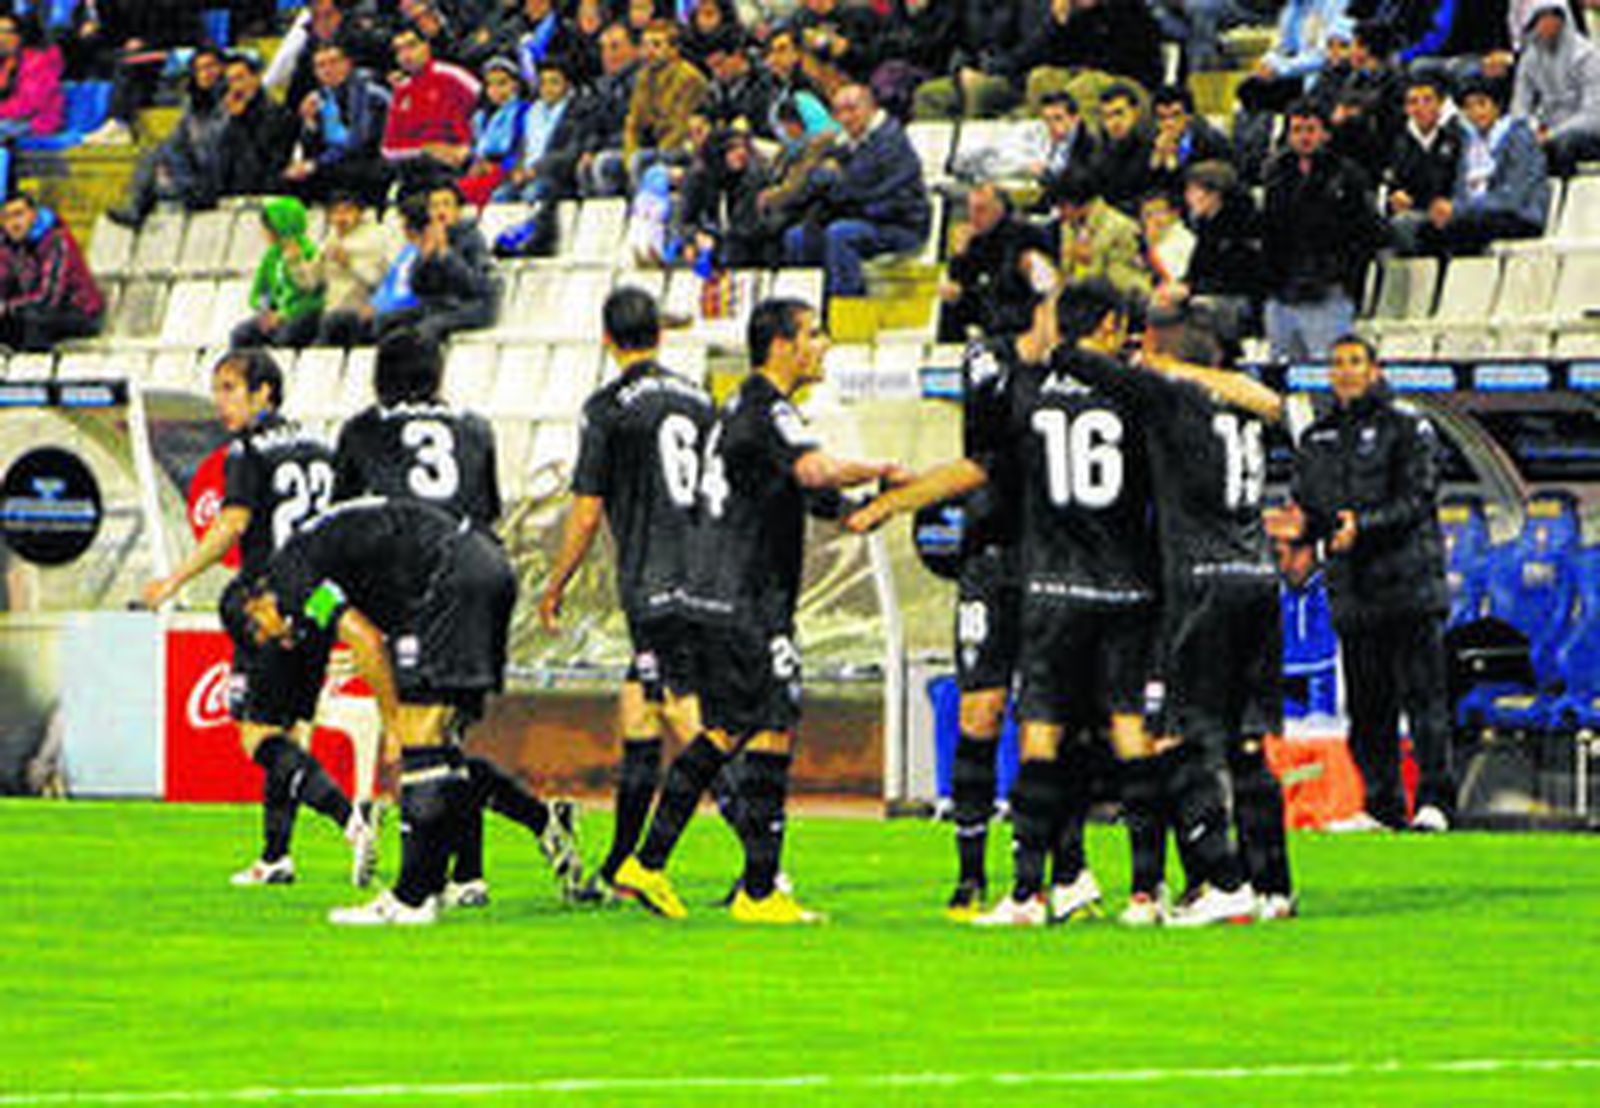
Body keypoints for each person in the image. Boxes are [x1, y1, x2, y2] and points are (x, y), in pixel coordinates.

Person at [847, 281, 1257, 928]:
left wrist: (895, 502)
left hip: (1056, 587)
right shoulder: (1134, 394)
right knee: (1131, 734)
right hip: (1129, 587)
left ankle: (1028, 892)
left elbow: (985, 469)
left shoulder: (1028, 392)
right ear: (1112, 324)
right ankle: (1146, 892)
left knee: (1042, 736)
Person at [612, 297, 908, 924]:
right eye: (813, 334)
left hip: (718, 595)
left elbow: (795, 491)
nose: (822, 345)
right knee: (771, 721)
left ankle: (661, 865)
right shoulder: (768, 407)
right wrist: (879, 467)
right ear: (780, 344)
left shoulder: (739, 410)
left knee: (732, 729)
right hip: (746, 600)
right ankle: (754, 888)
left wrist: (862, 505)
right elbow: (814, 469)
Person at [333, 329, 582, 907]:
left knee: (420, 738)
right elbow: (484, 513)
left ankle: (418, 890)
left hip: (420, 587)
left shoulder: (363, 430)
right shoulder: (475, 428)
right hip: (481, 579)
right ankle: (471, 870)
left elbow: (345, 525)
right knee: (447, 739)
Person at [1074, 309, 1296, 923]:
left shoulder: (1170, 394)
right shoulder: (1244, 404)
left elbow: (1083, 362)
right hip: (1256, 577)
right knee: (1247, 743)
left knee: (1174, 733)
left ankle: (1222, 881)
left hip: (1201, 583)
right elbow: (1274, 403)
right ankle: (1273, 885)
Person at [140, 350, 374, 890]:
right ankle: (276, 857)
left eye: (230, 388)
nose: (221, 401)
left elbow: (234, 522)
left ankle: (350, 820)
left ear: (264, 393)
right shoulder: (320, 445)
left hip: (267, 606)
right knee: (289, 731)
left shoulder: (245, 451)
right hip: (316, 603)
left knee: (257, 737)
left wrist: (174, 579)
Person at [242, 495, 517, 925]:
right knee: (443, 741)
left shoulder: (290, 578)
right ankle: (448, 881)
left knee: (417, 733)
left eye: (262, 629)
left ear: (258, 601)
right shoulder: (311, 552)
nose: (276, 638)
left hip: (452, 576)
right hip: (487, 566)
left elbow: (365, 640)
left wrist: (390, 723)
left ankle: (410, 900)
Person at [538, 288, 716, 901]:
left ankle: (763, 863)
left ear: (608, 338)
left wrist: (556, 583)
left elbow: (586, 514)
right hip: (707, 574)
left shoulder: (608, 407)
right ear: (658, 336)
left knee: (690, 722)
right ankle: (619, 868)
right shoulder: (699, 399)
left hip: (655, 583)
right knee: (637, 713)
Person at [1278, 335, 1456, 832]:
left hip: (1409, 583)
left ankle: (1436, 803)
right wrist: (1302, 528)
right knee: (1367, 705)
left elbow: (1418, 496)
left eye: (1355, 362)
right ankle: (1380, 805)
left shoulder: (1408, 424)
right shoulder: (1317, 436)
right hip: (1353, 590)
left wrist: (1363, 524)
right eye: (1336, 364)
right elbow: (1309, 502)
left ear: (1375, 368)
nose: (1346, 372)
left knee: (1424, 701)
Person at [1260, 99, 1381, 362]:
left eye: (1310, 129)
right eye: (1297, 130)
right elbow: (1268, 232)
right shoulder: (1275, 173)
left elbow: (1366, 233)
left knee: (1328, 371)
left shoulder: (1348, 176)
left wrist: (1345, 276)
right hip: (1283, 291)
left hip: (1329, 290)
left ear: (1325, 133)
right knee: (1281, 374)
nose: (1304, 137)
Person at [783, 83, 930, 298]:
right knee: (797, 237)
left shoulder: (890, 140)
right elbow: (813, 183)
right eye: (838, 111)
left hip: (899, 224)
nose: (845, 118)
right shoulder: (844, 142)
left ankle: (846, 307)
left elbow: (856, 187)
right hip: (860, 216)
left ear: (871, 108)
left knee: (841, 234)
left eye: (852, 109)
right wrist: (829, 176)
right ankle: (807, 308)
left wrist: (834, 179)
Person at [1423, 77, 1550, 255]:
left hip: (1520, 217)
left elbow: (1512, 198)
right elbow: (1462, 189)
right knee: (1426, 230)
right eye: (1468, 107)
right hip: (1478, 215)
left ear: (1497, 107)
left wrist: (1459, 210)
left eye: (1481, 104)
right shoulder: (1468, 141)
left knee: (1461, 231)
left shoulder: (1520, 138)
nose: (1475, 112)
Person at [107, 47, 228, 227]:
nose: (206, 74)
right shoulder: (193, 102)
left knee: (166, 152)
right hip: (194, 171)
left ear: (223, 68)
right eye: (200, 69)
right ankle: (136, 205)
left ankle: (146, 203)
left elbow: (223, 139)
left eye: (211, 67)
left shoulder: (232, 99)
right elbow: (178, 139)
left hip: (220, 173)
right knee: (155, 151)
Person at [283, 41, 394, 209]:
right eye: (321, 66)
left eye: (334, 62)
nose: (328, 70)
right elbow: (311, 150)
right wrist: (310, 123)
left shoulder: (369, 93)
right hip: (337, 167)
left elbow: (358, 142)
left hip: (370, 164)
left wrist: (316, 165)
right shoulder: (320, 98)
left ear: (348, 64)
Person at [939, 181, 1054, 342]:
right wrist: (959, 255)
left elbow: (1005, 287)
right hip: (991, 306)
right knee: (947, 304)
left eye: (981, 210)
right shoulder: (978, 237)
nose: (973, 217)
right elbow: (961, 281)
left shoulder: (1024, 236)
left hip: (1017, 314)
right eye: (970, 210)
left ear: (999, 209)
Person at [382, 24, 482, 196]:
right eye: (399, 50)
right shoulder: (401, 92)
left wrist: (469, 149)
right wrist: (427, 149)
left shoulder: (454, 77)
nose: (406, 55)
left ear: (426, 47)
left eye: (411, 46)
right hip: (419, 167)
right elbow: (389, 148)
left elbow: (489, 108)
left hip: (459, 162)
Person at [0, 192, 103, 352]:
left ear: (33, 215)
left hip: (77, 312)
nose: (14, 223)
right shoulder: (8, 245)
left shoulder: (56, 239)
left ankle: (32, 371)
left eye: (19, 215)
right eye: (7, 218)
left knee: (32, 323)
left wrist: (9, 308)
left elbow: (49, 297)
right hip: (32, 309)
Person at [1512, 0, 1600, 175]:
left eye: (1551, 17)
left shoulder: (1587, 55)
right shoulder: (1530, 58)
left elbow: (1594, 115)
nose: (1546, 24)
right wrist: (1530, 129)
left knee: (1563, 145)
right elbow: (1520, 104)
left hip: (1581, 132)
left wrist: (1552, 135)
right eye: (1540, 18)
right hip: (1544, 129)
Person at [1384, 74, 1467, 257]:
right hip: (1415, 215)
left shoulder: (1458, 139)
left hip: (1451, 214)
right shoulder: (1400, 145)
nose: (1420, 107)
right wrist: (1395, 198)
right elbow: (1392, 188)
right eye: (1413, 102)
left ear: (1440, 105)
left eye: (1427, 100)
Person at [230, 197, 325, 351]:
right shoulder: (272, 255)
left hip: (303, 315)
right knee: (242, 334)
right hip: (276, 314)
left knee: (286, 336)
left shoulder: (309, 251)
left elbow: (311, 293)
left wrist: (284, 315)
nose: (263, 232)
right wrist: (266, 311)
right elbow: (260, 290)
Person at [622, 19, 710, 181]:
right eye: (645, 45)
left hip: (682, 146)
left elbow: (680, 127)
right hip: (653, 146)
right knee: (605, 163)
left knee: (642, 161)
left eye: (656, 45)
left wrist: (650, 154)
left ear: (674, 50)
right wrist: (629, 153)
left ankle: (643, 205)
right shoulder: (643, 77)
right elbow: (633, 124)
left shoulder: (688, 78)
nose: (649, 51)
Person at [312, 192, 396, 347]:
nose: (341, 217)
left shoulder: (374, 238)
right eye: (335, 212)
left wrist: (349, 263)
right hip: (331, 309)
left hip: (360, 309)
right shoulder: (328, 240)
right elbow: (312, 284)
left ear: (359, 213)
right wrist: (296, 262)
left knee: (332, 323)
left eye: (347, 211)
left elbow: (379, 280)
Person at [215, 54, 298, 202]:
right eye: (231, 81)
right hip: (234, 196)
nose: (236, 87)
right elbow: (223, 158)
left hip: (267, 195)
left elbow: (261, 159)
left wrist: (239, 121)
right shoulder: (228, 115)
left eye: (240, 78)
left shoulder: (278, 114)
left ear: (256, 78)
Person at [0, 12, 62, 142]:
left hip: (36, 121)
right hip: (8, 118)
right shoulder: (7, 61)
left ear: (21, 36)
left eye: (7, 32)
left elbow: (28, 104)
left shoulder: (39, 62)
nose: (2, 37)